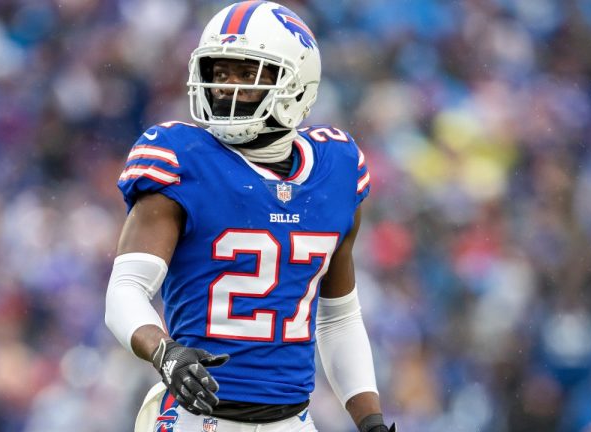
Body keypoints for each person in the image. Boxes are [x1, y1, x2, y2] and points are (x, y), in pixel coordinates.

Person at [105, 2, 395, 431]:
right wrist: (165, 352)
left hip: (292, 422)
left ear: (296, 84)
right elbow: (125, 291)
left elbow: (339, 316)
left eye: (247, 74)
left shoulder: (337, 167)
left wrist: (369, 419)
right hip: (196, 418)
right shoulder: (182, 159)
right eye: (219, 73)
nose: (226, 88)